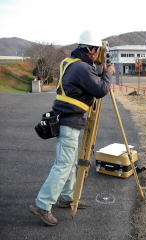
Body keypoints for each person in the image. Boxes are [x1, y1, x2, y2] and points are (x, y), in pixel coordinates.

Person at [29, 31, 115, 226]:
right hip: (70, 121)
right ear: (92, 49)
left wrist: (100, 71)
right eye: (98, 51)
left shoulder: (70, 62)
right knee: (63, 165)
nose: (99, 54)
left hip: (67, 120)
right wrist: (108, 73)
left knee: (70, 163)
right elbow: (101, 90)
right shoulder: (82, 68)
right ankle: (42, 205)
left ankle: (67, 197)